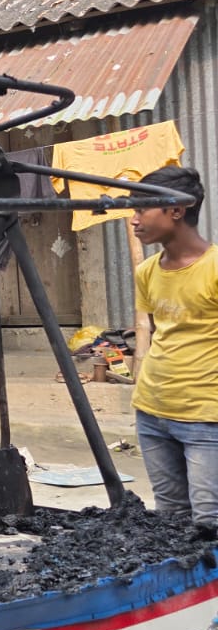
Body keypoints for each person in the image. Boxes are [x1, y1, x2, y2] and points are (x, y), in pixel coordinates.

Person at [130, 165, 218, 538]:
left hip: (205, 417)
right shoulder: (147, 271)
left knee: (209, 523)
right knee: (170, 522)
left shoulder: (214, 268)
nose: (134, 220)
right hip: (152, 411)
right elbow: (156, 331)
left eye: (141, 209)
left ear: (177, 210)